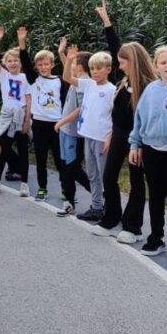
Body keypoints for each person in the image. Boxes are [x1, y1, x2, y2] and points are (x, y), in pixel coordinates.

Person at [89, 1, 151, 243]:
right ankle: (111, 218)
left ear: (133, 61)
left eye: (123, 61)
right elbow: (116, 46)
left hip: (139, 137)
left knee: (137, 180)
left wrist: (140, 144)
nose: (119, 64)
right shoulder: (122, 79)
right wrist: (106, 22)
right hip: (118, 133)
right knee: (109, 176)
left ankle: (132, 226)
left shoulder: (147, 85)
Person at [128, 45, 167, 257]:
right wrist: (135, 143)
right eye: (163, 62)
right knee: (155, 194)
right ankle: (156, 236)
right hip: (152, 148)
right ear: (156, 66)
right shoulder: (151, 89)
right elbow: (139, 117)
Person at [16, 27, 66, 199]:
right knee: (41, 159)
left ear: (52, 65)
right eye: (40, 64)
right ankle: (42, 188)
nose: (43, 67)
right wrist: (22, 42)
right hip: (39, 124)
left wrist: (62, 51)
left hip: (57, 125)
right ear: (36, 67)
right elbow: (25, 60)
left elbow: (66, 100)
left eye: (47, 64)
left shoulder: (60, 81)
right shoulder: (34, 78)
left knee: (60, 160)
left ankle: (65, 189)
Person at [71, 52, 116, 222]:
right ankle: (97, 207)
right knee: (92, 173)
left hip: (101, 138)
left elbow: (114, 116)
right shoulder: (89, 84)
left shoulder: (111, 90)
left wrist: (109, 137)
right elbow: (69, 77)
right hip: (87, 135)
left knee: (105, 175)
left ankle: (111, 208)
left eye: (98, 68)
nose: (95, 72)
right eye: (92, 69)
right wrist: (68, 60)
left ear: (108, 69)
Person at [0, 27, 31, 197]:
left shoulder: (26, 78)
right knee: (4, 150)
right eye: (10, 60)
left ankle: (24, 184)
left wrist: (27, 120)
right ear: (6, 63)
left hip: (21, 116)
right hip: (7, 116)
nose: (13, 63)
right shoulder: (4, 75)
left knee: (23, 151)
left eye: (16, 60)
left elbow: (28, 100)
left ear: (21, 63)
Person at [54, 43, 93, 214]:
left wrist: (62, 121)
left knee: (71, 168)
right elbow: (66, 72)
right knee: (68, 167)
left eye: (73, 62)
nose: (70, 65)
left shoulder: (84, 83)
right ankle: (97, 193)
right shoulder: (78, 79)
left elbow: (80, 109)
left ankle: (71, 202)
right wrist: (62, 53)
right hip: (66, 131)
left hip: (73, 133)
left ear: (79, 66)